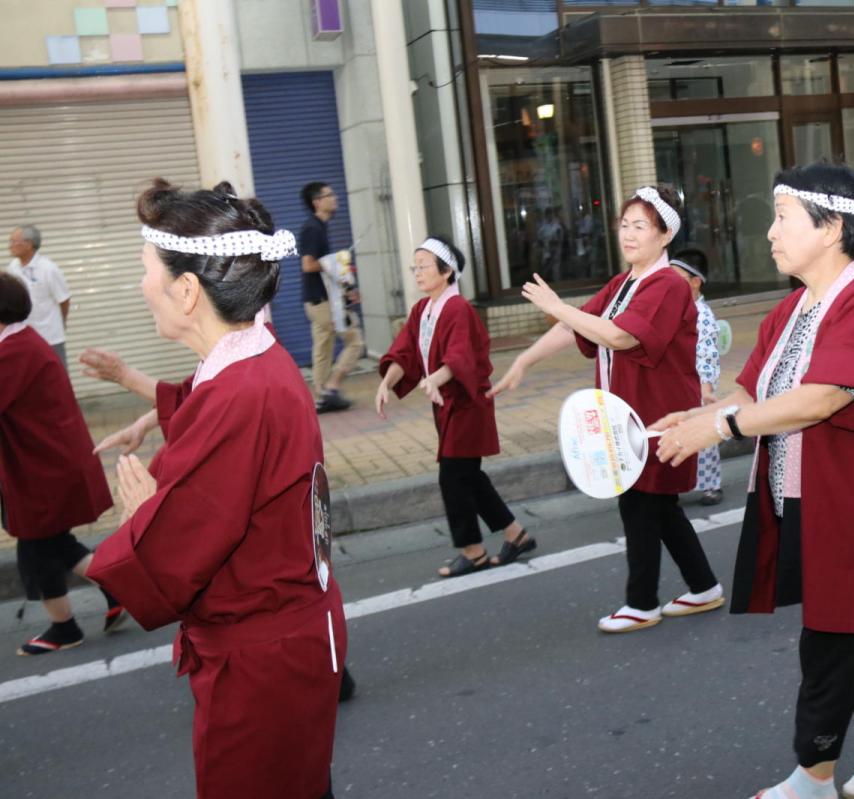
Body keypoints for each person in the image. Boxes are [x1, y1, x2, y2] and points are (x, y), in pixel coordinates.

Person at [653, 163, 854, 799]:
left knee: (832, 639)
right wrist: (697, 416)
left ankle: (812, 777)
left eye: (782, 217)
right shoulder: (794, 307)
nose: (770, 233)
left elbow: (822, 397)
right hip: (809, 496)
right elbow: (752, 388)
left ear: (833, 228)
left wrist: (720, 427)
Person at [85, 179, 347, 799]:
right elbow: (208, 417)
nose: (140, 282)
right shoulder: (255, 358)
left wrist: (145, 514)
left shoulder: (239, 393)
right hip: (287, 643)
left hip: (262, 666)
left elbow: (172, 558)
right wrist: (138, 391)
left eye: (146, 267)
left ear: (186, 288)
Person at [490, 185, 724, 634]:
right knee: (658, 505)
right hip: (627, 414)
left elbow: (619, 336)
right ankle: (704, 586)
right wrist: (524, 359)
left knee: (640, 502)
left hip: (656, 414)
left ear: (663, 236)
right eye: (624, 225)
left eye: (640, 226)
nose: (629, 234)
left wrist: (559, 306)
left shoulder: (669, 285)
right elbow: (577, 323)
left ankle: (641, 603)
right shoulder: (624, 284)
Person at [375, 236, 534, 578]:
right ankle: (516, 535)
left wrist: (436, 377)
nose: (417, 273)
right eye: (414, 267)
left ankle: (473, 551)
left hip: (467, 403)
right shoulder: (423, 310)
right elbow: (403, 353)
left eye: (424, 266)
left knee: (453, 477)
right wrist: (387, 382)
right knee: (469, 478)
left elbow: (460, 358)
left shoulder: (458, 308)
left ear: (446, 272)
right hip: (447, 405)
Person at [0, 273, 125, 655]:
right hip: (46, 463)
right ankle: (115, 588)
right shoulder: (20, 342)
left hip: (43, 468)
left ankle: (65, 627)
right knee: (50, 541)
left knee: (36, 546)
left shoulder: (13, 352)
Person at [298, 181, 364, 413]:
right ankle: (332, 388)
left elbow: (330, 271)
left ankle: (320, 396)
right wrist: (336, 261)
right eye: (329, 195)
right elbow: (308, 265)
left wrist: (348, 288)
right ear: (318, 202)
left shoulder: (319, 228)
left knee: (322, 349)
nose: (335, 198)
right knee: (355, 341)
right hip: (322, 303)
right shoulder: (312, 229)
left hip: (320, 301)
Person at [670, 247, 723, 506]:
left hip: (700, 385)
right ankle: (680, 482)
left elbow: (706, 354)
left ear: (695, 282)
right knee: (681, 433)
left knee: (704, 435)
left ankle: (711, 485)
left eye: (676, 280)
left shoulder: (702, 315)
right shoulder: (676, 309)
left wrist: (707, 387)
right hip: (681, 381)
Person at [7, 224, 71, 366]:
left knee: (56, 377)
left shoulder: (48, 269)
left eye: (14, 241)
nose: (10, 246)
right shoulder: (13, 267)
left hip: (50, 337)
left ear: (29, 244)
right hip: (25, 338)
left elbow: (64, 300)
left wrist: (61, 323)